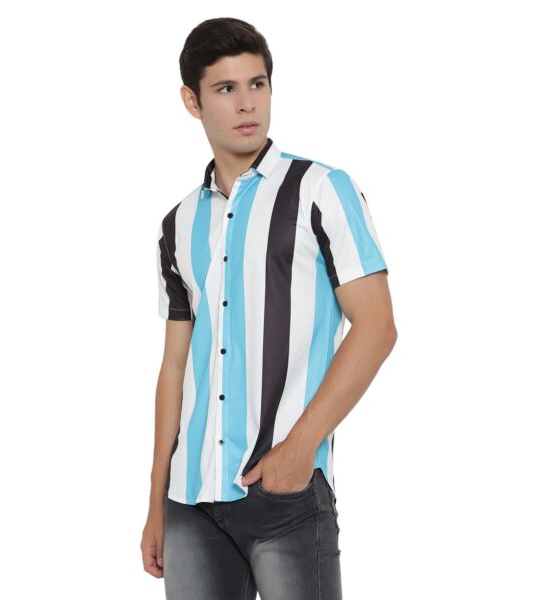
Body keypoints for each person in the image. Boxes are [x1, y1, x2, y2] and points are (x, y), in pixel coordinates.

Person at [141, 17, 397, 600]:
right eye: (226, 88)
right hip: (191, 503)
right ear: (192, 101)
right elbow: (175, 367)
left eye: (257, 84)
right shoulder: (177, 224)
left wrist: (300, 449)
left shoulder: (321, 190)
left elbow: (377, 327)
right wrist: (157, 499)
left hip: (287, 493)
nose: (247, 103)